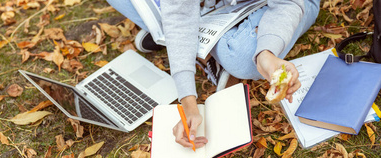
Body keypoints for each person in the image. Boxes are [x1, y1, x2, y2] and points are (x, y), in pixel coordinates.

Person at [106, 0, 321, 149]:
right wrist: (188, 102)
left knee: (243, 58)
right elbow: (180, 14)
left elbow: (287, 5)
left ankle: (173, 36)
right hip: (218, 7)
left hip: (286, 6)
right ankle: (198, 42)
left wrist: (267, 52)